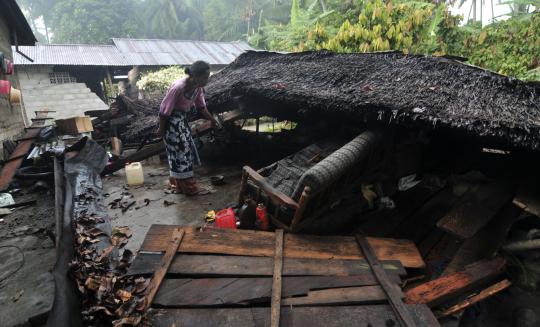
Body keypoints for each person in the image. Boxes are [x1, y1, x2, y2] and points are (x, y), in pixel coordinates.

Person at [158, 60, 218, 195]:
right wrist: (161, 130)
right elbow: (164, 111)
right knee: (180, 155)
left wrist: (212, 119)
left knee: (185, 153)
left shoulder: (198, 89)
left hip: (181, 122)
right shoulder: (178, 88)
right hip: (170, 123)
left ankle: (180, 186)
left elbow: (201, 107)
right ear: (195, 76)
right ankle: (189, 188)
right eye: (205, 77)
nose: (207, 80)